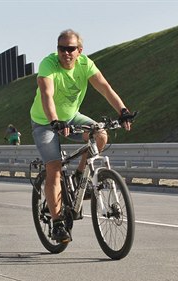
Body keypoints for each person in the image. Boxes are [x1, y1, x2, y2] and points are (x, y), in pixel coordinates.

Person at [30, 29, 134, 244]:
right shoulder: (48, 65)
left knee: (100, 135)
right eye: (62, 49)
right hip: (44, 122)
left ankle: (80, 176)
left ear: (80, 51)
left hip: (72, 116)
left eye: (71, 49)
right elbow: (46, 94)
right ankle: (58, 223)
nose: (66, 53)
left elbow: (105, 88)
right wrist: (54, 121)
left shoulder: (85, 64)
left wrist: (123, 111)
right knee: (54, 168)